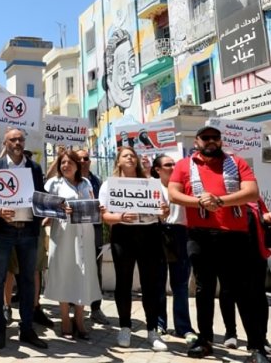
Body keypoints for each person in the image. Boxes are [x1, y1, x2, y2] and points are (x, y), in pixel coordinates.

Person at [169, 125, 269, 362]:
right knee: (203, 290)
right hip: (200, 235)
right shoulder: (185, 165)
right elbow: (174, 194)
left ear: (221, 141)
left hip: (234, 236)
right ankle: (204, 341)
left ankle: (256, 347)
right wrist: (201, 203)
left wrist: (219, 201)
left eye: (215, 138)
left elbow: (252, 192)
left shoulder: (236, 162)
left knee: (242, 291)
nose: (211, 141)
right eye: (206, 138)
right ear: (197, 141)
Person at [100, 146, 168, 351]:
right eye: (125, 156)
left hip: (149, 234)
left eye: (132, 155)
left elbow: (163, 211)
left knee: (151, 283)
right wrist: (120, 217)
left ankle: (152, 330)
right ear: (118, 161)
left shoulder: (150, 183)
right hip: (123, 235)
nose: (130, 158)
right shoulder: (108, 185)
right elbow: (105, 217)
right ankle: (125, 327)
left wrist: (165, 210)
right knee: (123, 282)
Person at [0, 128, 48, 351]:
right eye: (13, 139)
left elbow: (40, 198)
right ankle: (0, 328)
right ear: (5, 143)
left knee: (27, 282)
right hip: (2, 233)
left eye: (20, 139)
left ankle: (26, 329)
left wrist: (53, 209)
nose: (17, 142)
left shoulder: (34, 167)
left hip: (27, 233)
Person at [43, 150, 100, 340]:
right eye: (62, 163)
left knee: (83, 273)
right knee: (64, 272)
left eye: (69, 162)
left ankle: (80, 319)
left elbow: (92, 204)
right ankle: (65, 319)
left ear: (77, 165)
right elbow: (44, 208)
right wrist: (59, 209)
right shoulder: (53, 183)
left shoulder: (86, 183)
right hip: (64, 234)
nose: (65, 166)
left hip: (85, 233)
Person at [151, 154, 198, 344]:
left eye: (174, 164)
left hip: (180, 233)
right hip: (157, 232)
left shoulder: (186, 186)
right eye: (168, 164)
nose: (173, 167)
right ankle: (159, 324)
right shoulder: (150, 187)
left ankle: (183, 327)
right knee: (158, 282)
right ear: (157, 169)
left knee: (180, 284)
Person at [75, 148, 108, 325]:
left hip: (94, 229)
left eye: (85, 158)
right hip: (75, 230)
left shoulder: (98, 181)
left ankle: (96, 308)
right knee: (75, 266)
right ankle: (74, 306)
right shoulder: (70, 181)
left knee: (96, 269)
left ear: (90, 161)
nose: (82, 161)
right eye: (78, 159)